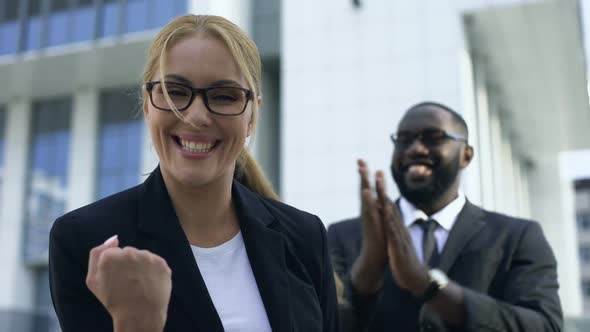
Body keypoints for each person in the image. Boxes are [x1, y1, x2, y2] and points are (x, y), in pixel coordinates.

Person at [49, 14, 339, 332]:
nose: (196, 116)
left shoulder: (304, 236)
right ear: (147, 104)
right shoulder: (87, 242)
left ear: (252, 115)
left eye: (224, 96)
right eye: (175, 92)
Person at [328, 101, 563, 332]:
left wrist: (431, 288)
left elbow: (544, 326)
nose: (415, 148)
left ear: (466, 155)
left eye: (433, 137)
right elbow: (319, 323)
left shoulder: (517, 236)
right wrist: (366, 271)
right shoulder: (342, 236)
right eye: (404, 139)